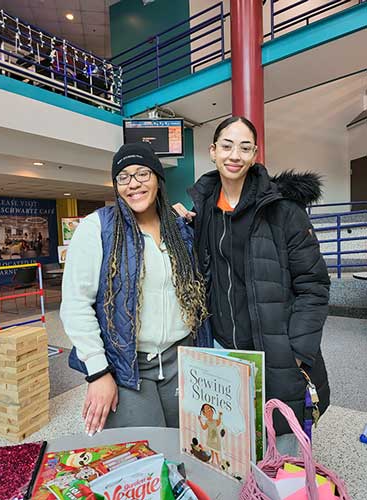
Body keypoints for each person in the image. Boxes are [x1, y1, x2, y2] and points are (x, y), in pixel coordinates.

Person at [174, 116, 330, 455]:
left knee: (283, 451)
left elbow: (314, 285)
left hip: (277, 353)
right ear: (213, 151)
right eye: (227, 146)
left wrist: (298, 352)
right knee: (229, 449)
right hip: (223, 353)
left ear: (255, 154)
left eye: (245, 148)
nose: (235, 155)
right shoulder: (203, 212)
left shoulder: (284, 211)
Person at [60, 142, 211, 437]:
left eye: (142, 173)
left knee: (190, 448)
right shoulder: (98, 228)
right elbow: (76, 305)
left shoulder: (179, 228)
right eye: (124, 177)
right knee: (146, 458)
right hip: (127, 366)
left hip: (181, 359)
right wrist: (98, 372)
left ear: (158, 178)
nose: (134, 184)